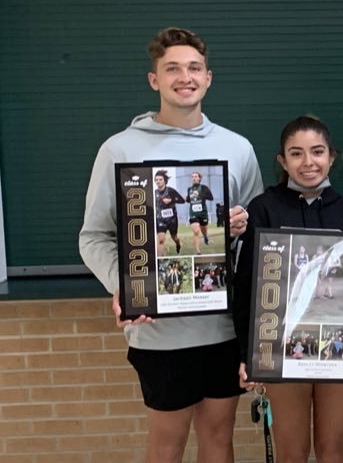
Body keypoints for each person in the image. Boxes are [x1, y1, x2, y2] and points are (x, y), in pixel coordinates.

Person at [77, 27, 263, 463]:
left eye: (194, 68)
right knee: (166, 446)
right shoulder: (119, 149)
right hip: (159, 333)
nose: (185, 76)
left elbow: (256, 241)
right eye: (173, 68)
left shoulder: (236, 149)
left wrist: (239, 229)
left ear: (209, 77)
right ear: (154, 80)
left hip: (223, 329)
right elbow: (93, 237)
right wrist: (122, 285)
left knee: (219, 440)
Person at [231, 116, 343, 463]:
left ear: (332, 156)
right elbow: (245, 289)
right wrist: (247, 353)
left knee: (332, 450)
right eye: (296, 154)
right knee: (292, 452)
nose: (308, 162)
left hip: (338, 350)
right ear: (282, 161)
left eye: (317, 152)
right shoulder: (263, 210)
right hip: (281, 350)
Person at [154, 170, 187, 255]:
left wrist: (171, 200)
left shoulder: (171, 191)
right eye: (156, 179)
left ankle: (178, 244)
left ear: (165, 180)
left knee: (174, 237)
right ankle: (160, 258)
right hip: (160, 219)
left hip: (172, 219)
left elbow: (182, 200)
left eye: (160, 179)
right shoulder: (155, 193)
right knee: (161, 239)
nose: (158, 181)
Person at [188, 171, 216, 253]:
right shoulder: (189, 189)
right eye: (192, 176)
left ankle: (205, 236)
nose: (194, 178)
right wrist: (185, 198)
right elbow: (188, 200)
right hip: (193, 213)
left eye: (196, 176)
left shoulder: (204, 188)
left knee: (204, 230)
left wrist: (201, 195)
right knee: (196, 231)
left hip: (203, 213)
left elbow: (211, 198)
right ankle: (198, 251)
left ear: (199, 178)